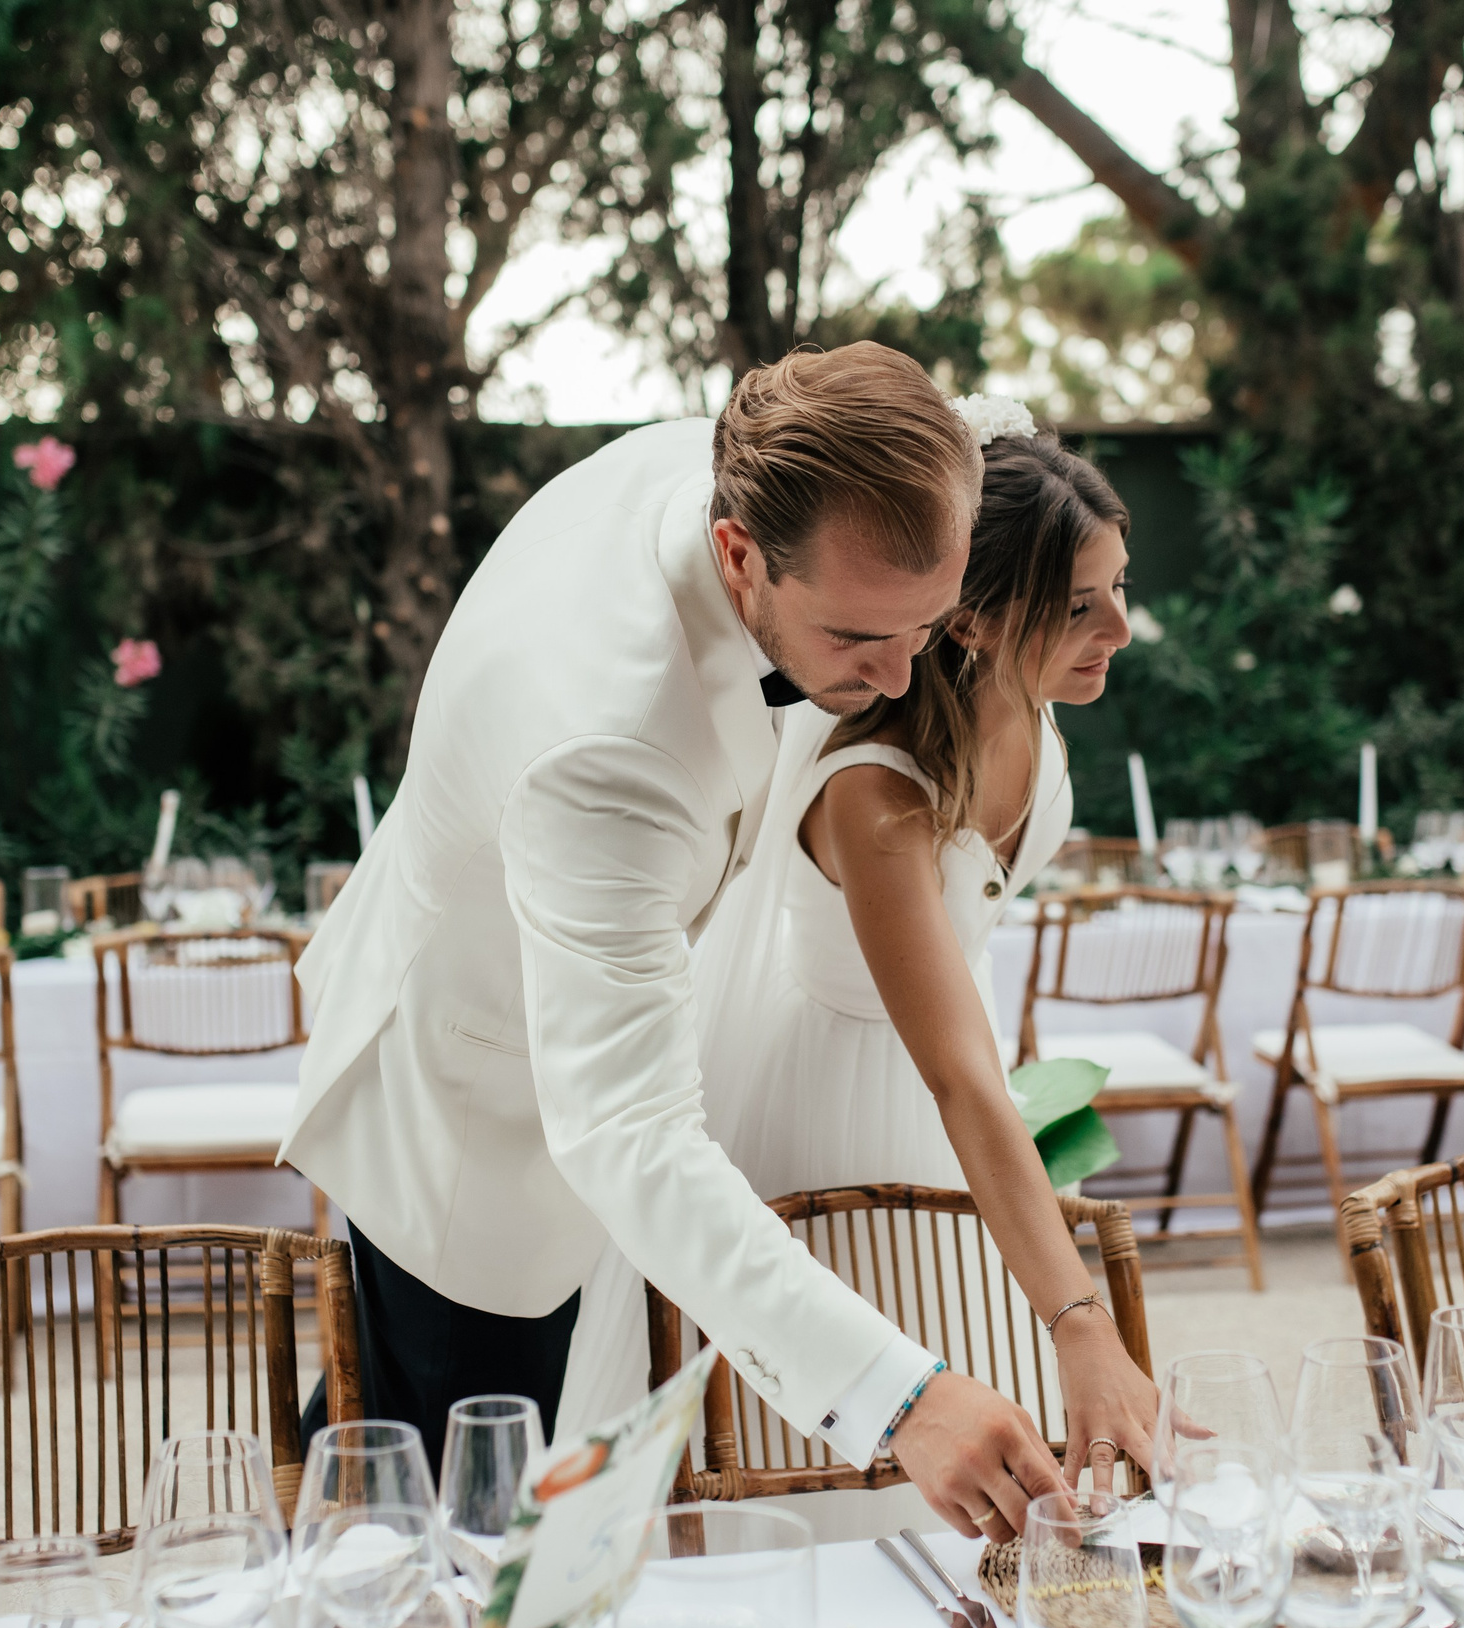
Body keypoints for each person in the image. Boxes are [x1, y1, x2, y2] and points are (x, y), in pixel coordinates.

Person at [281, 344, 1070, 1542]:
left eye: (930, 626)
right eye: (862, 635)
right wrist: (898, 1398)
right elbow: (629, 1134)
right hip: (475, 1113)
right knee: (460, 1529)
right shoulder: (607, 744)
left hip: (623, 1003)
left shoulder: (767, 459)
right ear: (740, 555)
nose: (904, 674)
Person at [558, 403, 1161, 1503]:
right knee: (834, 1471)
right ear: (969, 622)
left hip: (946, 1107)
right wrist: (1078, 1319)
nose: (1119, 627)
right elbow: (959, 1075)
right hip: (819, 1129)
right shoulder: (873, 793)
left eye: (1119, 586)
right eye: (1078, 606)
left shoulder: (1035, 706)